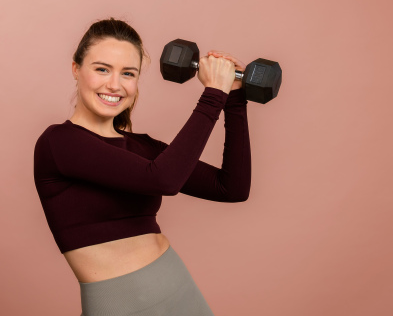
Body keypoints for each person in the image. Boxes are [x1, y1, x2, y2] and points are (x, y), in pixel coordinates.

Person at [33, 18, 251, 315]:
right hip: (119, 306)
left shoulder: (142, 147)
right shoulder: (59, 143)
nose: (114, 84)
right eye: (101, 69)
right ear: (76, 69)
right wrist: (213, 95)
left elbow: (231, 188)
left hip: (181, 293)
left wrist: (235, 98)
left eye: (128, 73)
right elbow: (164, 181)